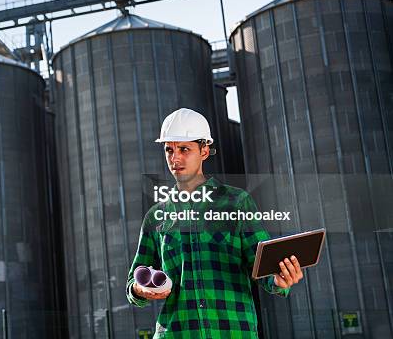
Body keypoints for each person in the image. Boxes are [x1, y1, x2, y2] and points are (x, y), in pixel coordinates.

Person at [126, 108, 303, 338]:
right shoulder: (156, 216)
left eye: (184, 149)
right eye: (169, 150)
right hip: (178, 333)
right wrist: (140, 289)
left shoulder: (236, 202)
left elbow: (262, 263)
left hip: (232, 331)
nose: (175, 158)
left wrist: (279, 279)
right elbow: (134, 280)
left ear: (204, 151)